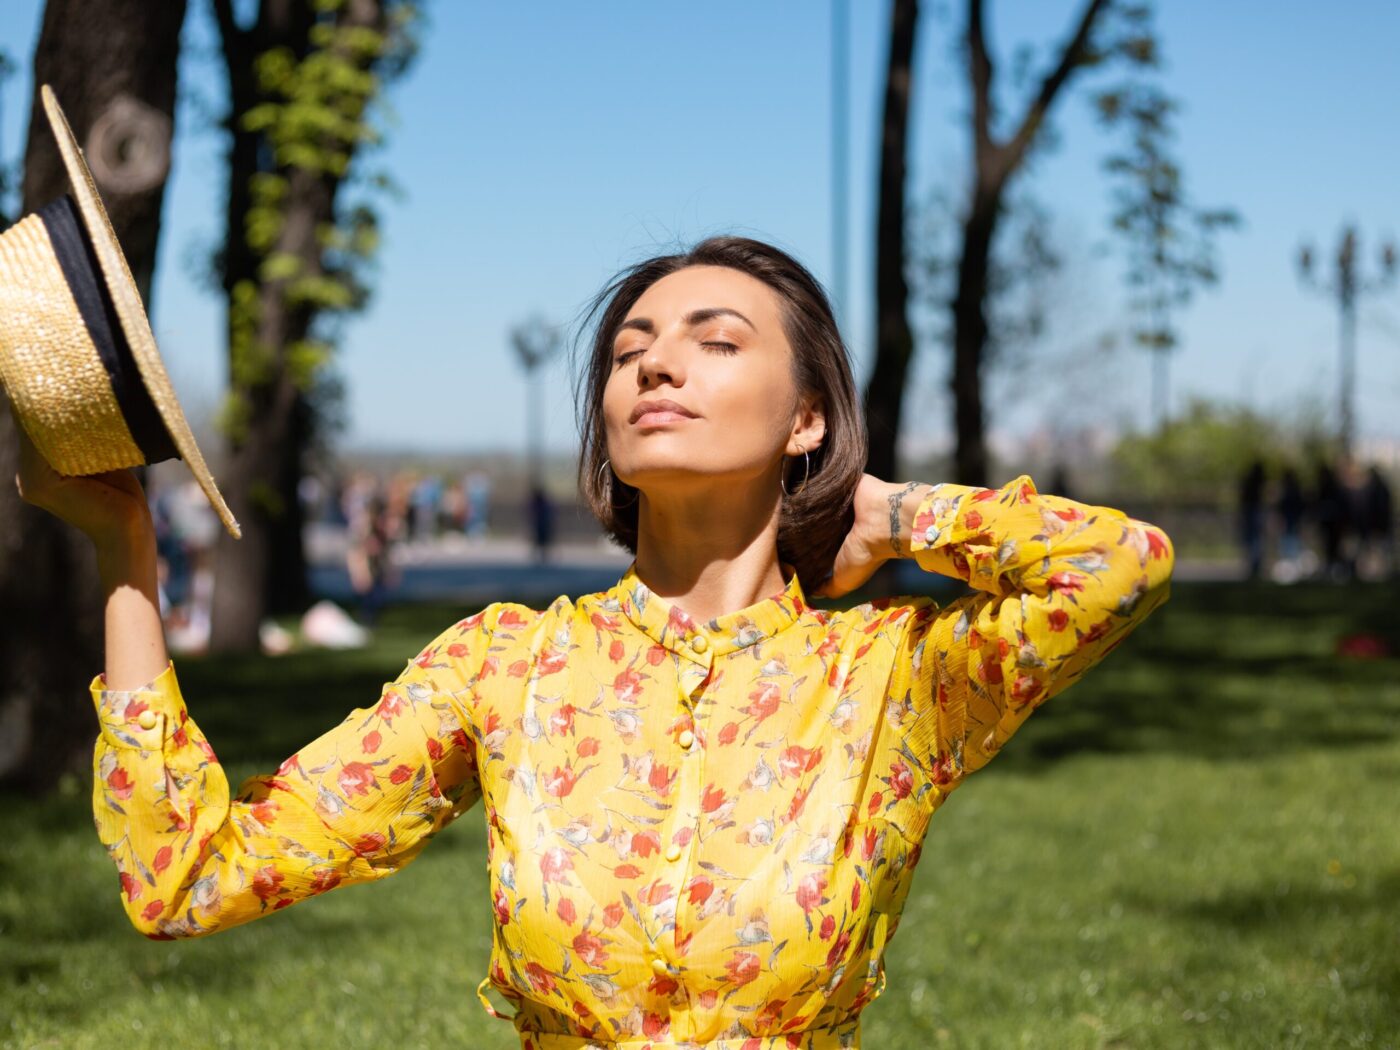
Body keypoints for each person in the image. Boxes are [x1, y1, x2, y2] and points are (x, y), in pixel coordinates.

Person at [17, 236, 1174, 1049]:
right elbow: (185, 878)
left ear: (806, 417)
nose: (653, 364)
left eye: (713, 341)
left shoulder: (892, 680)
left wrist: (891, 513)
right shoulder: (502, 666)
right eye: (628, 351)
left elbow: (1118, 565)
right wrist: (128, 555)